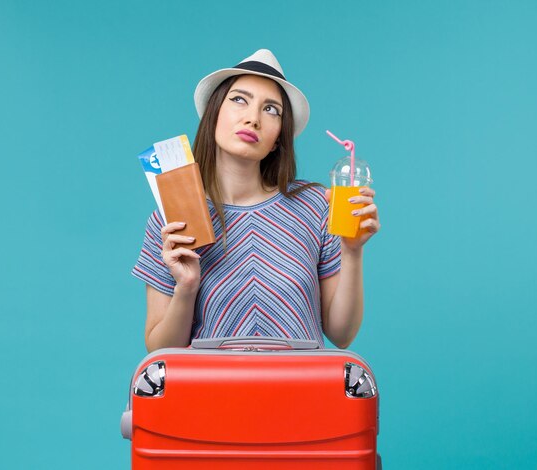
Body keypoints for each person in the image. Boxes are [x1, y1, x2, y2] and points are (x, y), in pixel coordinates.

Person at [132, 49, 380, 352]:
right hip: (210, 395)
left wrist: (351, 252)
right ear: (214, 114)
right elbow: (159, 351)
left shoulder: (315, 206)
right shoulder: (169, 219)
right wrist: (186, 286)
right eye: (239, 100)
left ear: (278, 138)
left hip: (301, 393)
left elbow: (342, 335)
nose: (252, 119)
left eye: (271, 109)